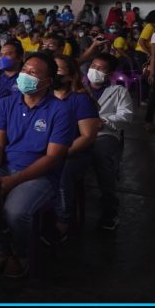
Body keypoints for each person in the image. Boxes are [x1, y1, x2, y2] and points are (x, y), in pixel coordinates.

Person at [0, 52, 74, 278]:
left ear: (48, 82)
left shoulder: (60, 111)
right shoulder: (6, 104)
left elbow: (52, 158)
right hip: (6, 168)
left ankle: (20, 253)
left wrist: (13, 181)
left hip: (40, 175)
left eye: (33, 73)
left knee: (15, 212)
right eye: (24, 71)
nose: (25, 76)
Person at [52, 55, 101, 237]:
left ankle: (62, 221)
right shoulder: (45, 97)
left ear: (71, 77)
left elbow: (88, 137)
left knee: (62, 171)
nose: (54, 74)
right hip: (47, 150)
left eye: (58, 70)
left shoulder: (80, 100)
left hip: (74, 153)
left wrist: (58, 154)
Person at [85, 53, 134, 230]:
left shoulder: (118, 91)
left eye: (100, 68)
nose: (94, 70)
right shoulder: (80, 88)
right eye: (93, 66)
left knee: (101, 158)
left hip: (104, 133)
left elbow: (126, 115)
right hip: (77, 133)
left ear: (109, 73)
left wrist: (104, 121)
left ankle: (110, 207)